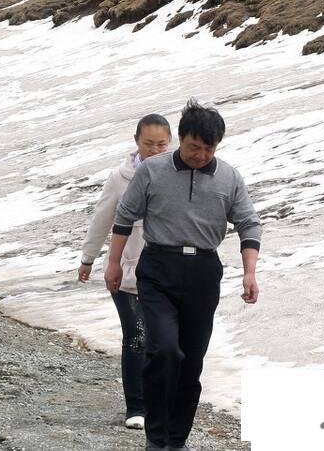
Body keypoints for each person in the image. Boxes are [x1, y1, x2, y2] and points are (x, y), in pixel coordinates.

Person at [107, 99, 262, 451]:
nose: (201, 155)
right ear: (181, 138)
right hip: (158, 267)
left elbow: (249, 223)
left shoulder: (229, 177)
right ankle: (156, 437)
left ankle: (175, 441)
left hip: (204, 273)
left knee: (191, 363)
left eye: (209, 149)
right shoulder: (153, 170)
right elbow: (124, 215)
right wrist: (113, 264)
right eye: (194, 147)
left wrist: (249, 272)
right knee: (163, 350)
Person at [78, 114, 172, 431]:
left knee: (164, 340)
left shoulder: (180, 173)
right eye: (148, 144)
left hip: (167, 274)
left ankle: (161, 401)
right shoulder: (121, 177)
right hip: (127, 273)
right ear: (136, 142)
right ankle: (137, 407)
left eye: (161, 144)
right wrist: (88, 259)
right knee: (136, 337)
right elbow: (102, 220)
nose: (155, 150)